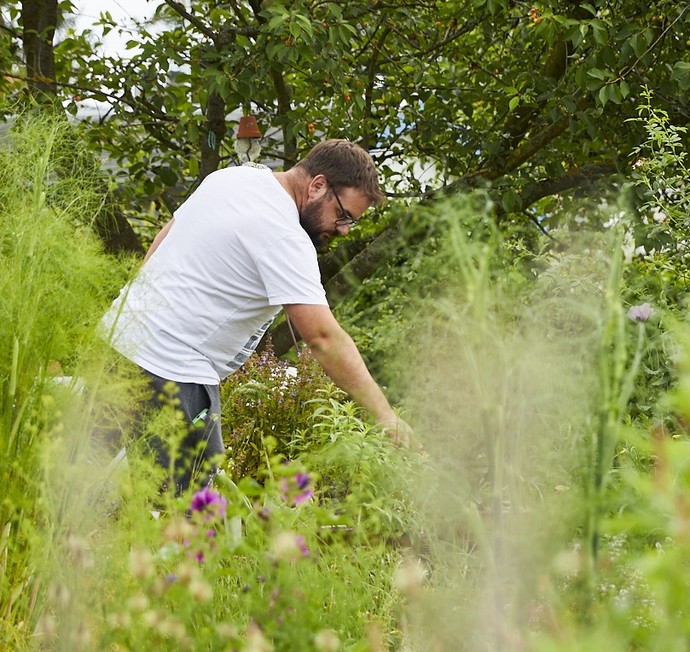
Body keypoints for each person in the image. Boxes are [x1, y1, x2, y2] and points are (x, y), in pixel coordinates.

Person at [101, 139, 413, 494]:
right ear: (318, 186)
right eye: (343, 216)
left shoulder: (232, 178)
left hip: (117, 342)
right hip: (174, 372)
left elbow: (164, 238)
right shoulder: (284, 235)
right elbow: (323, 338)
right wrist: (385, 415)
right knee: (187, 512)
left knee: (78, 478)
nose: (343, 229)